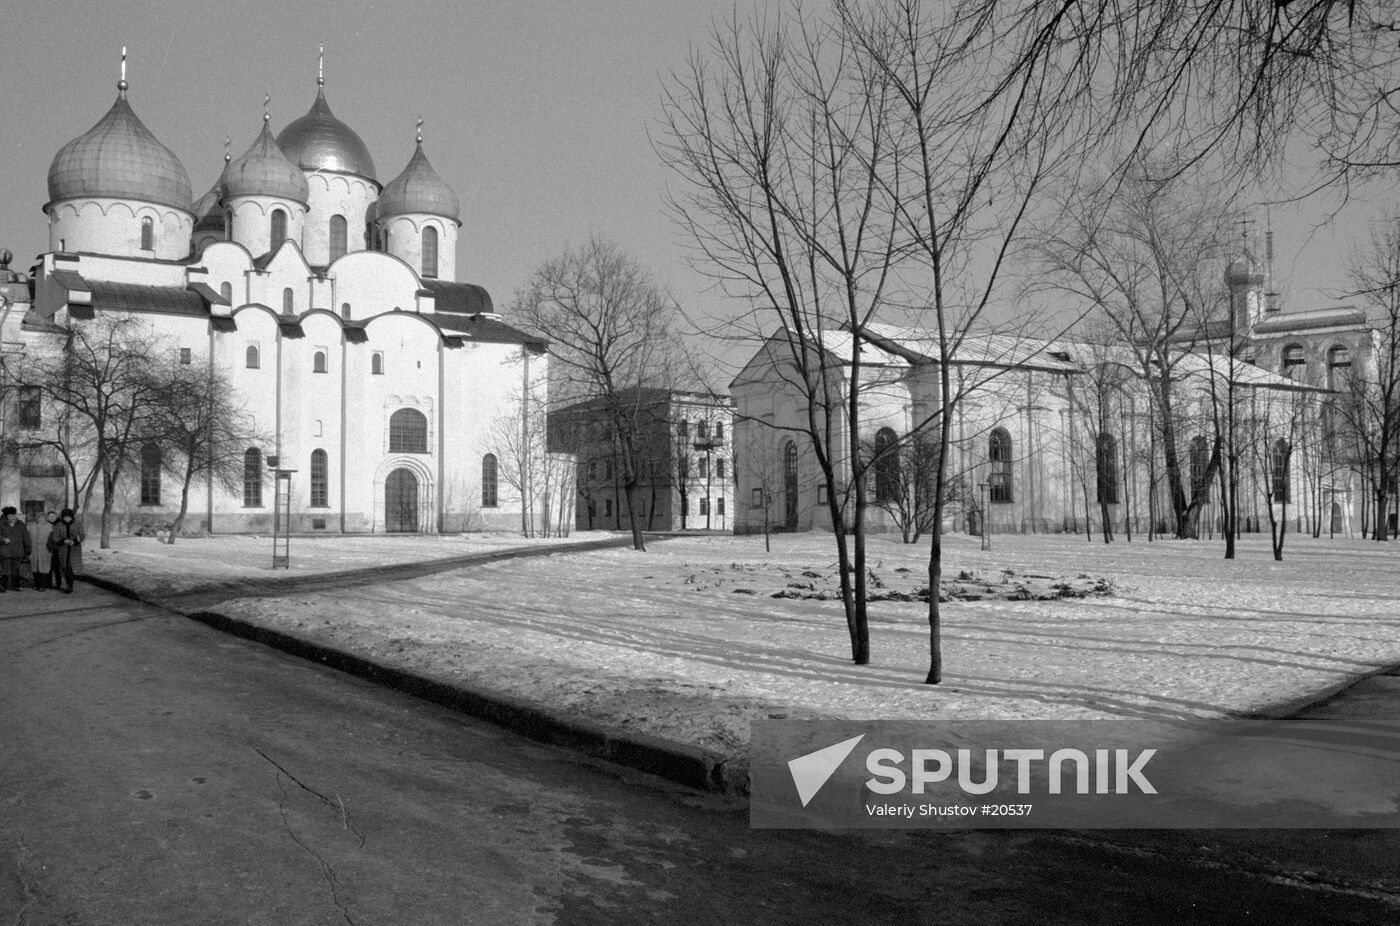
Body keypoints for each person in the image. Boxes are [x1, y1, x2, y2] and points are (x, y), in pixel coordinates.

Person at [47, 508, 83, 594]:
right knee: (65, 567)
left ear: (72, 517)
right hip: (63, 549)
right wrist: (63, 541)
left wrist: (75, 541)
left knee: (73, 567)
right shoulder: (58, 525)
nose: (67, 519)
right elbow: (55, 537)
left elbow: (82, 534)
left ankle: (71, 583)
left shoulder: (77, 523)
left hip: (75, 549)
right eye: (65, 518)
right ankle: (68, 585)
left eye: (69, 518)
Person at [0, 506, 32, 592]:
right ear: (6, 517)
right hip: (5, 551)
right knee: (5, 570)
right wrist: (3, 539)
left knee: (16, 570)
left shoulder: (21, 524)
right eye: (8, 516)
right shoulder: (2, 524)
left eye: (12, 516)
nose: (11, 518)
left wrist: (28, 549)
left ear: (15, 515)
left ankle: (16, 586)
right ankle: (3, 586)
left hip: (18, 551)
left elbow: (26, 537)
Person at [28, 511, 54, 591]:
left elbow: (53, 539)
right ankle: (36, 584)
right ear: (37, 519)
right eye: (39, 518)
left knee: (44, 568)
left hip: (45, 550)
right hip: (34, 550)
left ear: (46, 519)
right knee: (34, 568)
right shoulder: (31, 526)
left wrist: (50, 550)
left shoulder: (50, 527)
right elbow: (27, 538)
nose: (41, 519)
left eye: (43, 518)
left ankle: (43, 585)